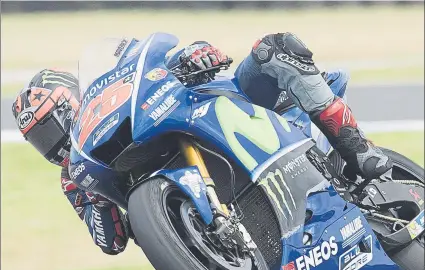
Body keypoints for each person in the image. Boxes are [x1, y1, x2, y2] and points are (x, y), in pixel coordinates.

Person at [12, 32, 392, 256]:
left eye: (51, 126)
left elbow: (182, 57)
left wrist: (196, 54)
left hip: (233, 105)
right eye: (39, 139)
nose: (52, 143)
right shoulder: (77, 179)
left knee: (274, 47)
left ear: (72, 103)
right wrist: (95, 195)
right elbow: (110, 242)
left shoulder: (121, 95)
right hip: (209, 216)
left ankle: (356, 150)